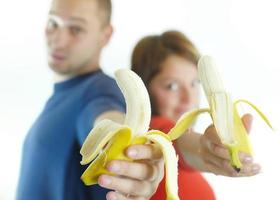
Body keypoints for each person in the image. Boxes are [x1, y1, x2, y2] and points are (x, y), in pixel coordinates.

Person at [16, 0, 164, 199]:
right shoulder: (60, 97)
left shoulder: (98, 90)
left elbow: (105, 117)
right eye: (53, 22)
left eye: (76, 29)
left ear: (105, 35)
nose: (58, 40)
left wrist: (124, 147)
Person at [131, 30, 261, 199]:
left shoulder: (191, 175)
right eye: (172, 86)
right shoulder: (150, 138)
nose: (188, 98)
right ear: (144, 89)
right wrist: (204, 148)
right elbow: (173, 140)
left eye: (194, 83)